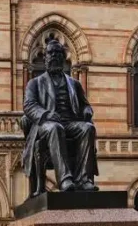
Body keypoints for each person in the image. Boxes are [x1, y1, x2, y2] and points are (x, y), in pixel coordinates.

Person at [21, 40, 99, 194]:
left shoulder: (74, 83)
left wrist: (87, 111)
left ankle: (83, 179)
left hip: (70, 123)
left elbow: (85, 105)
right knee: (55, 128)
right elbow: (29, 106)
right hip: (45, 124)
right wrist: (47, 114)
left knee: (88, 128)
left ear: (63, 58)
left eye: (58, 53)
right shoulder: (35, 83)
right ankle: (65, 179)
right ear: (45, 57)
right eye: (51, 53)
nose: (54, 56)